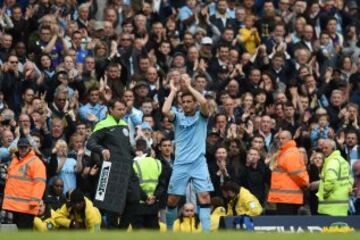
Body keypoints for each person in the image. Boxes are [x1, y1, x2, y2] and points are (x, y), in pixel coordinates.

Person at [162, 73, 213, 231]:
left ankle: (206, 233)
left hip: (199, 163)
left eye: (189, 101)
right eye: (183, 102)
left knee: (204, 196)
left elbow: (204, 101)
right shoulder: (177, 117)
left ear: (194, 103)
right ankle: (170, 231)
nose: (186, 104)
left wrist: (190, 87)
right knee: (172, 200)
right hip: (181, 164)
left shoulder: (202, 116)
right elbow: (165, 110)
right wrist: (173, 90)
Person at [86, 98, 139, 228]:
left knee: (135, 198)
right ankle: (112, 232)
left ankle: (121, 230)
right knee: (112, 207)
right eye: (119, 109)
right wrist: (102, 149)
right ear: (111, 110)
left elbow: (124, 147)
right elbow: (90, 143)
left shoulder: (124, 124)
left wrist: (134, 152)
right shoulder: (103, 125)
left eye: (124, 109)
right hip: (111, 169)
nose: (122, 112)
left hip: (127, 168)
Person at [2, 138, 46, 229]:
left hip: (26, 208)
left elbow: (39, 184)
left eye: (25, 147)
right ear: (17, 148)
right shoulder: (15, 161)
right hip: (12, 206)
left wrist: (34, 202)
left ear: (29, 148)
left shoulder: (36, 163)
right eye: (20, 147)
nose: (22, 149)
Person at [267, 130, 309, 215]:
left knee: (286, 223)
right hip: (285, 196)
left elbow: (297, 174)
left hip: (288, 197)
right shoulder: (283, 152)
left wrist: (304, 184)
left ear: (290, 139)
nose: (281, 141)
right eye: (279, 138)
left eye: (283, 138)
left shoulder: (290, 153)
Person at [131, 139, 167, 230]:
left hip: (137, 206)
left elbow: (133, 185)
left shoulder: (133, 163)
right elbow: (162, 184)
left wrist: (145, 197)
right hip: (153, 205)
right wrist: (154, 196)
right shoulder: (158, 163)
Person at [317, 139, 353, 216]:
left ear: (333, 149)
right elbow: (350, 178)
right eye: (322, 148)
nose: (323, 150)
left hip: (329, 207)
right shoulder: (343, 161)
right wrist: (349, 188)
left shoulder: (332, 162)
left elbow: (330, 181)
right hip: (342, 206)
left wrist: (324, 194)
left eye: (326, 148)